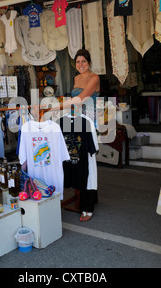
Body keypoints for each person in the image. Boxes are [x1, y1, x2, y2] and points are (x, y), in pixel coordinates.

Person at [53, 49, 100, 222]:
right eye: (78, 62)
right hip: (75, 121)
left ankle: (88, 207)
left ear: (89, 62)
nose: (81, 65)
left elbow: (80, 99)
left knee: (89, 163)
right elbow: (73, 104)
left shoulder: (95, 78)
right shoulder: (76, 78)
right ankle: (90, 197)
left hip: (88, 122)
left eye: (84, 62)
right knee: (76, 159)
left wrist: (53, 108)